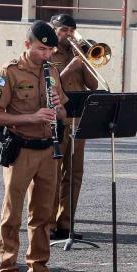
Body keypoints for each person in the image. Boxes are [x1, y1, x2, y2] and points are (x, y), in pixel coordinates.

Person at [0, 20, 69, 272]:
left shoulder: (53, 71)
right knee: (12, 212)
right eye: (41, 49)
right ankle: (8, 271)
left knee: (43, 214)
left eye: (50, 50)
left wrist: (57, 110)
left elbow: (62, 113)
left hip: (49, 150)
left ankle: (39, 270)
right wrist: (30, 117)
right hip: (21, 148)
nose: (46, 55)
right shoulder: (9, 72)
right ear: (27, 45)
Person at [47, 13, 98, 241]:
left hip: (78, 118)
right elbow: (51, 81)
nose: (68, 35)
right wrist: (71, 65)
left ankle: (65, 224)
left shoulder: (78, 53)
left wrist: (83, 59)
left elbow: (94, 84)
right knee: (52, 174)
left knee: (74, 173)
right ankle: (46, 225)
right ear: (53, 29)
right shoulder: (48, 52)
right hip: (56, 118)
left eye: (71, 31)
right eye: (64, 30)